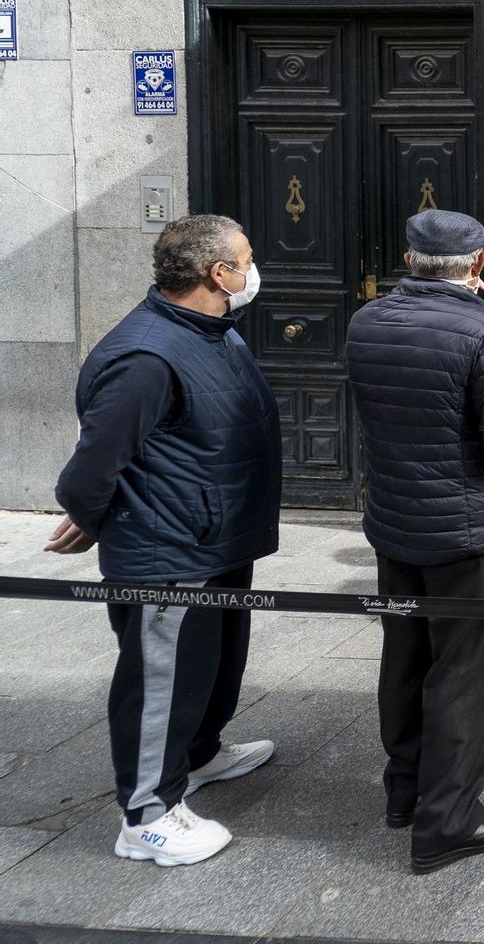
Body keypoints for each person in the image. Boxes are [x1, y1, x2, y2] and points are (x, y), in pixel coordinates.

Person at [46, 215, 281, 867]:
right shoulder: (146, 355)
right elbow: (95, 464)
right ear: (218, 274)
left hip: (217, 536)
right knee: (159, 679)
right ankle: (146, 814)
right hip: (167, 549)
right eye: (248, 258)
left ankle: (200, 752)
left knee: (211, 664)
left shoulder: (211, 330)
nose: (253, 270)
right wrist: (90, 516)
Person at [345, 210, 484, 876]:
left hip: (395, 523)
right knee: (464, 673)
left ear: (410, 262)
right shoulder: (483, 331)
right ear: (478, 265)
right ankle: (449, 822)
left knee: (404, 659)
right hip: (467, 533)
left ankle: (405, 795)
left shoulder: (366, 322)